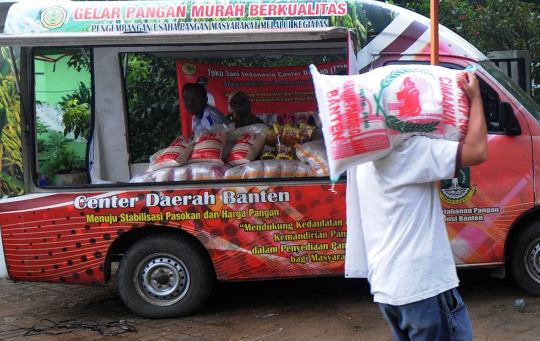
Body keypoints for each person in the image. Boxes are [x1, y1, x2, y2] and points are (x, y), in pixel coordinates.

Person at [345, 70, 487, 341]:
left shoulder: (363, 155)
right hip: (423, 287)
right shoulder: (411, 152)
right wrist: (476, 98)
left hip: (388, 288)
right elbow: (477, 150)